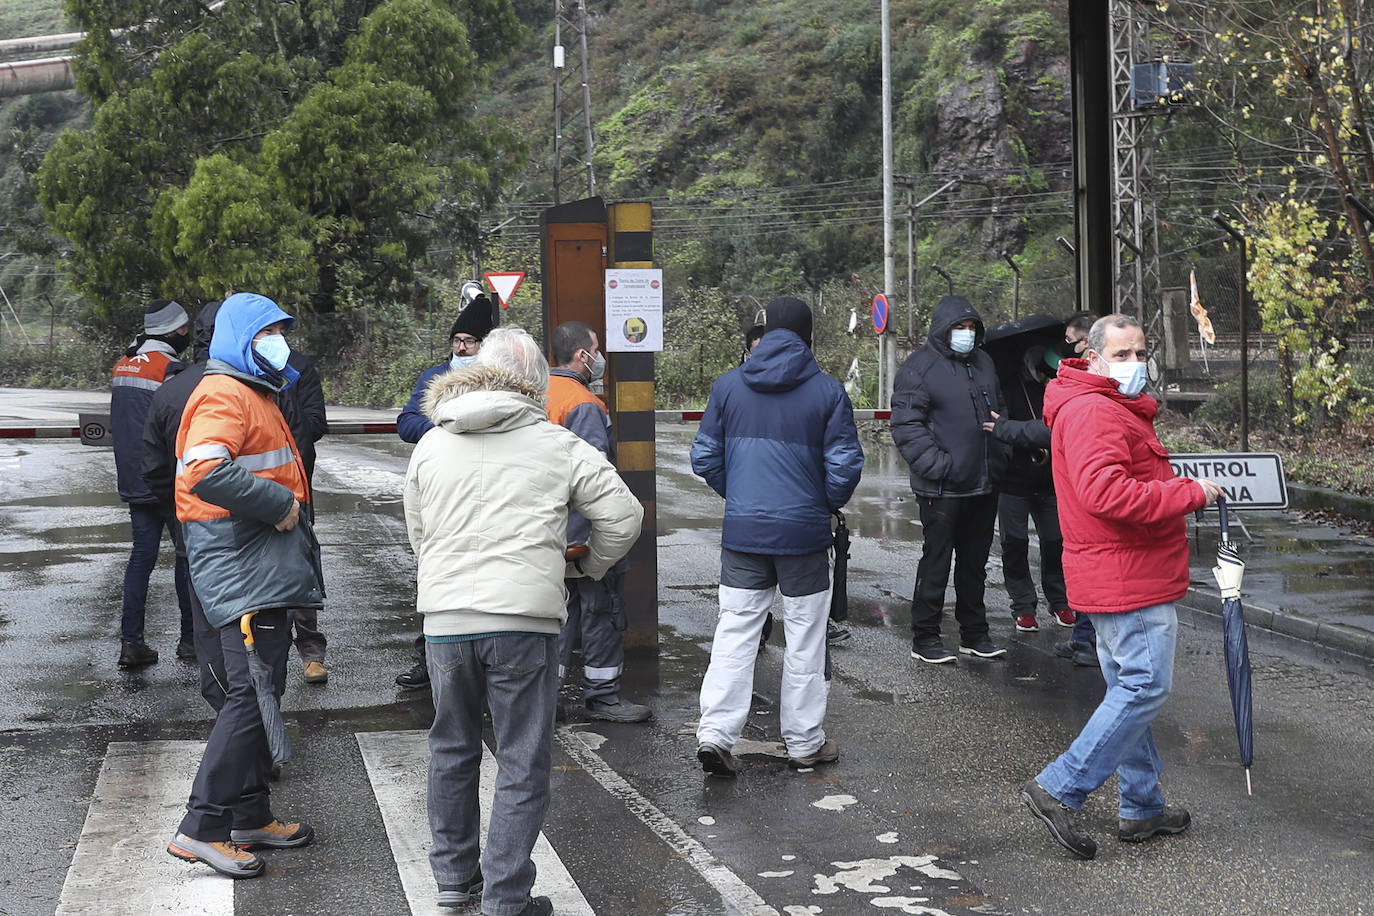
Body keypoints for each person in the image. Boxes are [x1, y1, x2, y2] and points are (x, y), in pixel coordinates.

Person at [405, 327, 641, 915]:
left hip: (447, 622)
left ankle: (454, 885)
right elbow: (624, 515)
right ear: (536, 384)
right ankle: (507, 899)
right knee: (520, 757)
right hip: (525, 623)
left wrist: (444, 582)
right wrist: (588, 568)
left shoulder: (432, 443)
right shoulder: (556, 443)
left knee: (452, 749)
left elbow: (419, 532)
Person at [1020, 314, 1222, 861]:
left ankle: (1142, 805)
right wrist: (1190, 494)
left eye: (1141, 353)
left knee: (1129, 689)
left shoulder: (1097, 406)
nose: (1136, 365)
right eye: (1124, 355)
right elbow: (1107, 494)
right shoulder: (1094, 410)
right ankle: (1060, 787)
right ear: (1094, 358)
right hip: (1126, 574)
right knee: (1144, 687)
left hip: (1121, 570)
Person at [166, 292, 322, 879]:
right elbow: (205, 470)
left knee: (261, 689)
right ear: (241, 340)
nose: (279, 341)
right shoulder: (225, 393)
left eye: (281, 330)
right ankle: (201, 827)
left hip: (254, 564)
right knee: (251, 694)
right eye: (269, 332)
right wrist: (277, 502)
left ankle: (249, 815)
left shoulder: (253, 390)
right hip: (242, 564)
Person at [690, 297, 864, 777]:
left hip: (743, 534)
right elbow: (845, 465)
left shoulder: (727, 386)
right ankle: (805, 743)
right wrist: (822, 503)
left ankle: (715, 734)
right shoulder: (828, 392)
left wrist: (742, 495)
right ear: (807, 338)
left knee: (735, 632)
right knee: (806, 637)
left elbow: (704, 457)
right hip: (805, 539)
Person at [891, 295, 1008, 664]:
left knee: (975, 563)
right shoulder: (919, 368)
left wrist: (1001, 453)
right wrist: (940, 465)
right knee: (937, 561)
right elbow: (906, 425)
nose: (966, 334)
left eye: (972, 328)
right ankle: (925, 636)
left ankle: (974, 633)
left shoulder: (985, 362)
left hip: (984, 482)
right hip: (941, 487)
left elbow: (1000, 408)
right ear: (943, 329)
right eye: (960, 328)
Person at [547, 321, 653, 723]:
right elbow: (593, 479)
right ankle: (603, 695)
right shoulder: (583, 404)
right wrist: (598, 539)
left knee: (555, 614)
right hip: (581, 532)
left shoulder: (537, 394)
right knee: (602, 611)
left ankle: (548, 696)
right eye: (597, 349)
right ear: (582, 356)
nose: (601, 358)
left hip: (548, 529)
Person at [394, 289, 496, 691]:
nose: (460, 348)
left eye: (468, 342)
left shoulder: (496, 380)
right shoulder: (432, 378)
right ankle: (428, 659)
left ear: (484, 346)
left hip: (487, 488)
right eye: (456, 341)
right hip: (442, 489)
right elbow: (406, 422)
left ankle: (486, 659)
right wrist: (445, 428)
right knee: (436, 571)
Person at [111, 298, 193, 668]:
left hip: (134, 478)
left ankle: (132, 643)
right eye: (184, 329)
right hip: (166, 478)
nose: (187, 335)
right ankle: (190, 640)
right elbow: (178, 425)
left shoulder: (124, 363)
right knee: (185, 559)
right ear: (174, 330)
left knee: (140, 560)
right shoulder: (169, 368)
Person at [985, 322, 1072, 634]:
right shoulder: (1005, 388)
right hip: (1013, 481)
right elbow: (996, 429)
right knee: (1015, 544)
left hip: (1051, 480)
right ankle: (1023, 606)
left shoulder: (1057, 387)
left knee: (1056, 542)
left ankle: (1060, 599)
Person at [277, 348, 330, 684]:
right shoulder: (232, 372)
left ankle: (311, 654)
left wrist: (281, 416)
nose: (273, 338)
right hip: (249, 493)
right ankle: (269, 654)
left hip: (295, 488)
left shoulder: (297, 366)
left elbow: (315, 422)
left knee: (301, 568)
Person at [1051, 310, 1100, 666]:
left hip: (1085, 495)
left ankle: (1092, 639)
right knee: (1082, 562)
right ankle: (1085, 635)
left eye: (1072, 340)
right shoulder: (1072, 382)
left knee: (1093, 562)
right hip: (1072, 492)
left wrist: (1007, 430)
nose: (1067, 347)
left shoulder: (1087, 388)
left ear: (1088, 342)